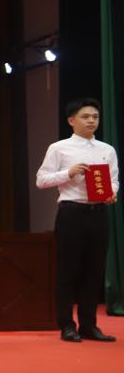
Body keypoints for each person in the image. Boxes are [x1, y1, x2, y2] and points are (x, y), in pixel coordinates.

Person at [36, 98, 119, 343]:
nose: (91, 120)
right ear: (71, 120)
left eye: (95, 116)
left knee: (94, 270)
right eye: (86, 116)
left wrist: (112, 193)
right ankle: (66, 325)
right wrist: (68, 173)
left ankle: (89, 325)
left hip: (98, 213)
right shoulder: (59, 148)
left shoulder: (107, 150)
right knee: (68, 270)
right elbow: (41, 180)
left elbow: (113, 180)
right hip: (71, 213)